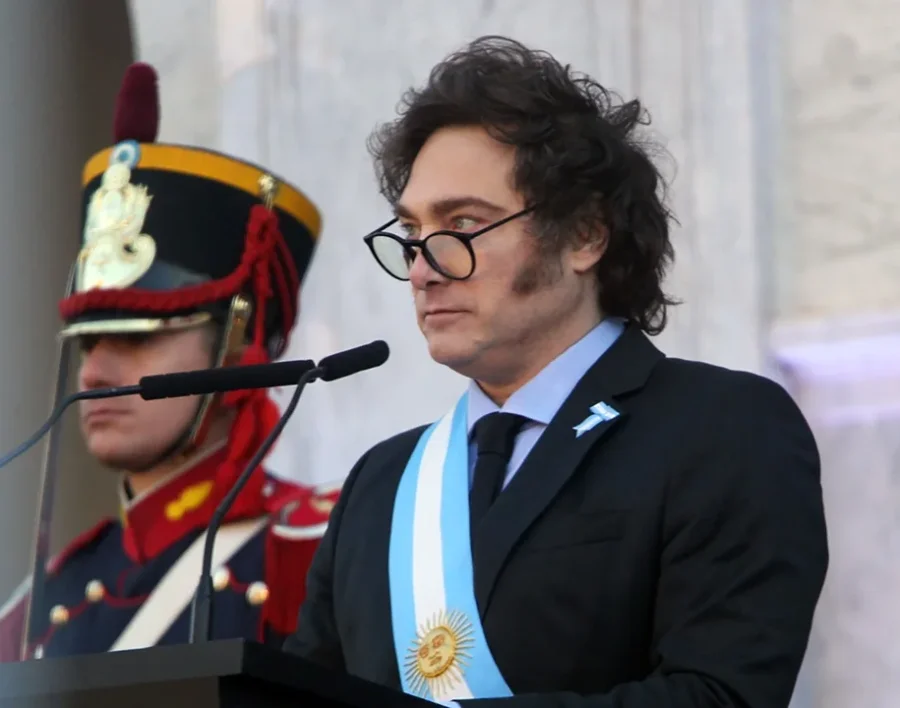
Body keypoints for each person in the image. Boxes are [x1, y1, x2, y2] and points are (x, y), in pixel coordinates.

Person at [284, 36, 829, 708]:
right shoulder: (382, 483)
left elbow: (722, 695)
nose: (424, 269)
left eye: (462, 224)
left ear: (584, 236)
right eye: (411, 234)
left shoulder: (721, 427)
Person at [0, 62, 339, 662]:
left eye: (136, 340)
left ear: (237, 346)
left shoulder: (320, 549)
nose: (92, 375)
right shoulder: (37, 605)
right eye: (87, 343)